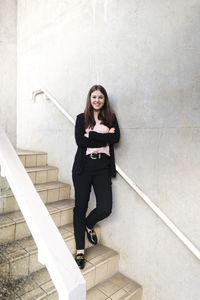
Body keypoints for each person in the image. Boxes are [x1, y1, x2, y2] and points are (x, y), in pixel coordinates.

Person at [72, 84, 120, 269]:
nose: (97, 100)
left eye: (100, 97)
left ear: (104, 99)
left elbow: (116, 139)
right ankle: (80, 251)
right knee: (80, 207)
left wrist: (92, 135)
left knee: (105, 208)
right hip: (83, 168)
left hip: (102, 167)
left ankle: (88, 225)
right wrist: (103, 136)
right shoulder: (80, 118)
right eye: (94, 97)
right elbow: (80, 141)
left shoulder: (111, 118)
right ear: (89, 99)